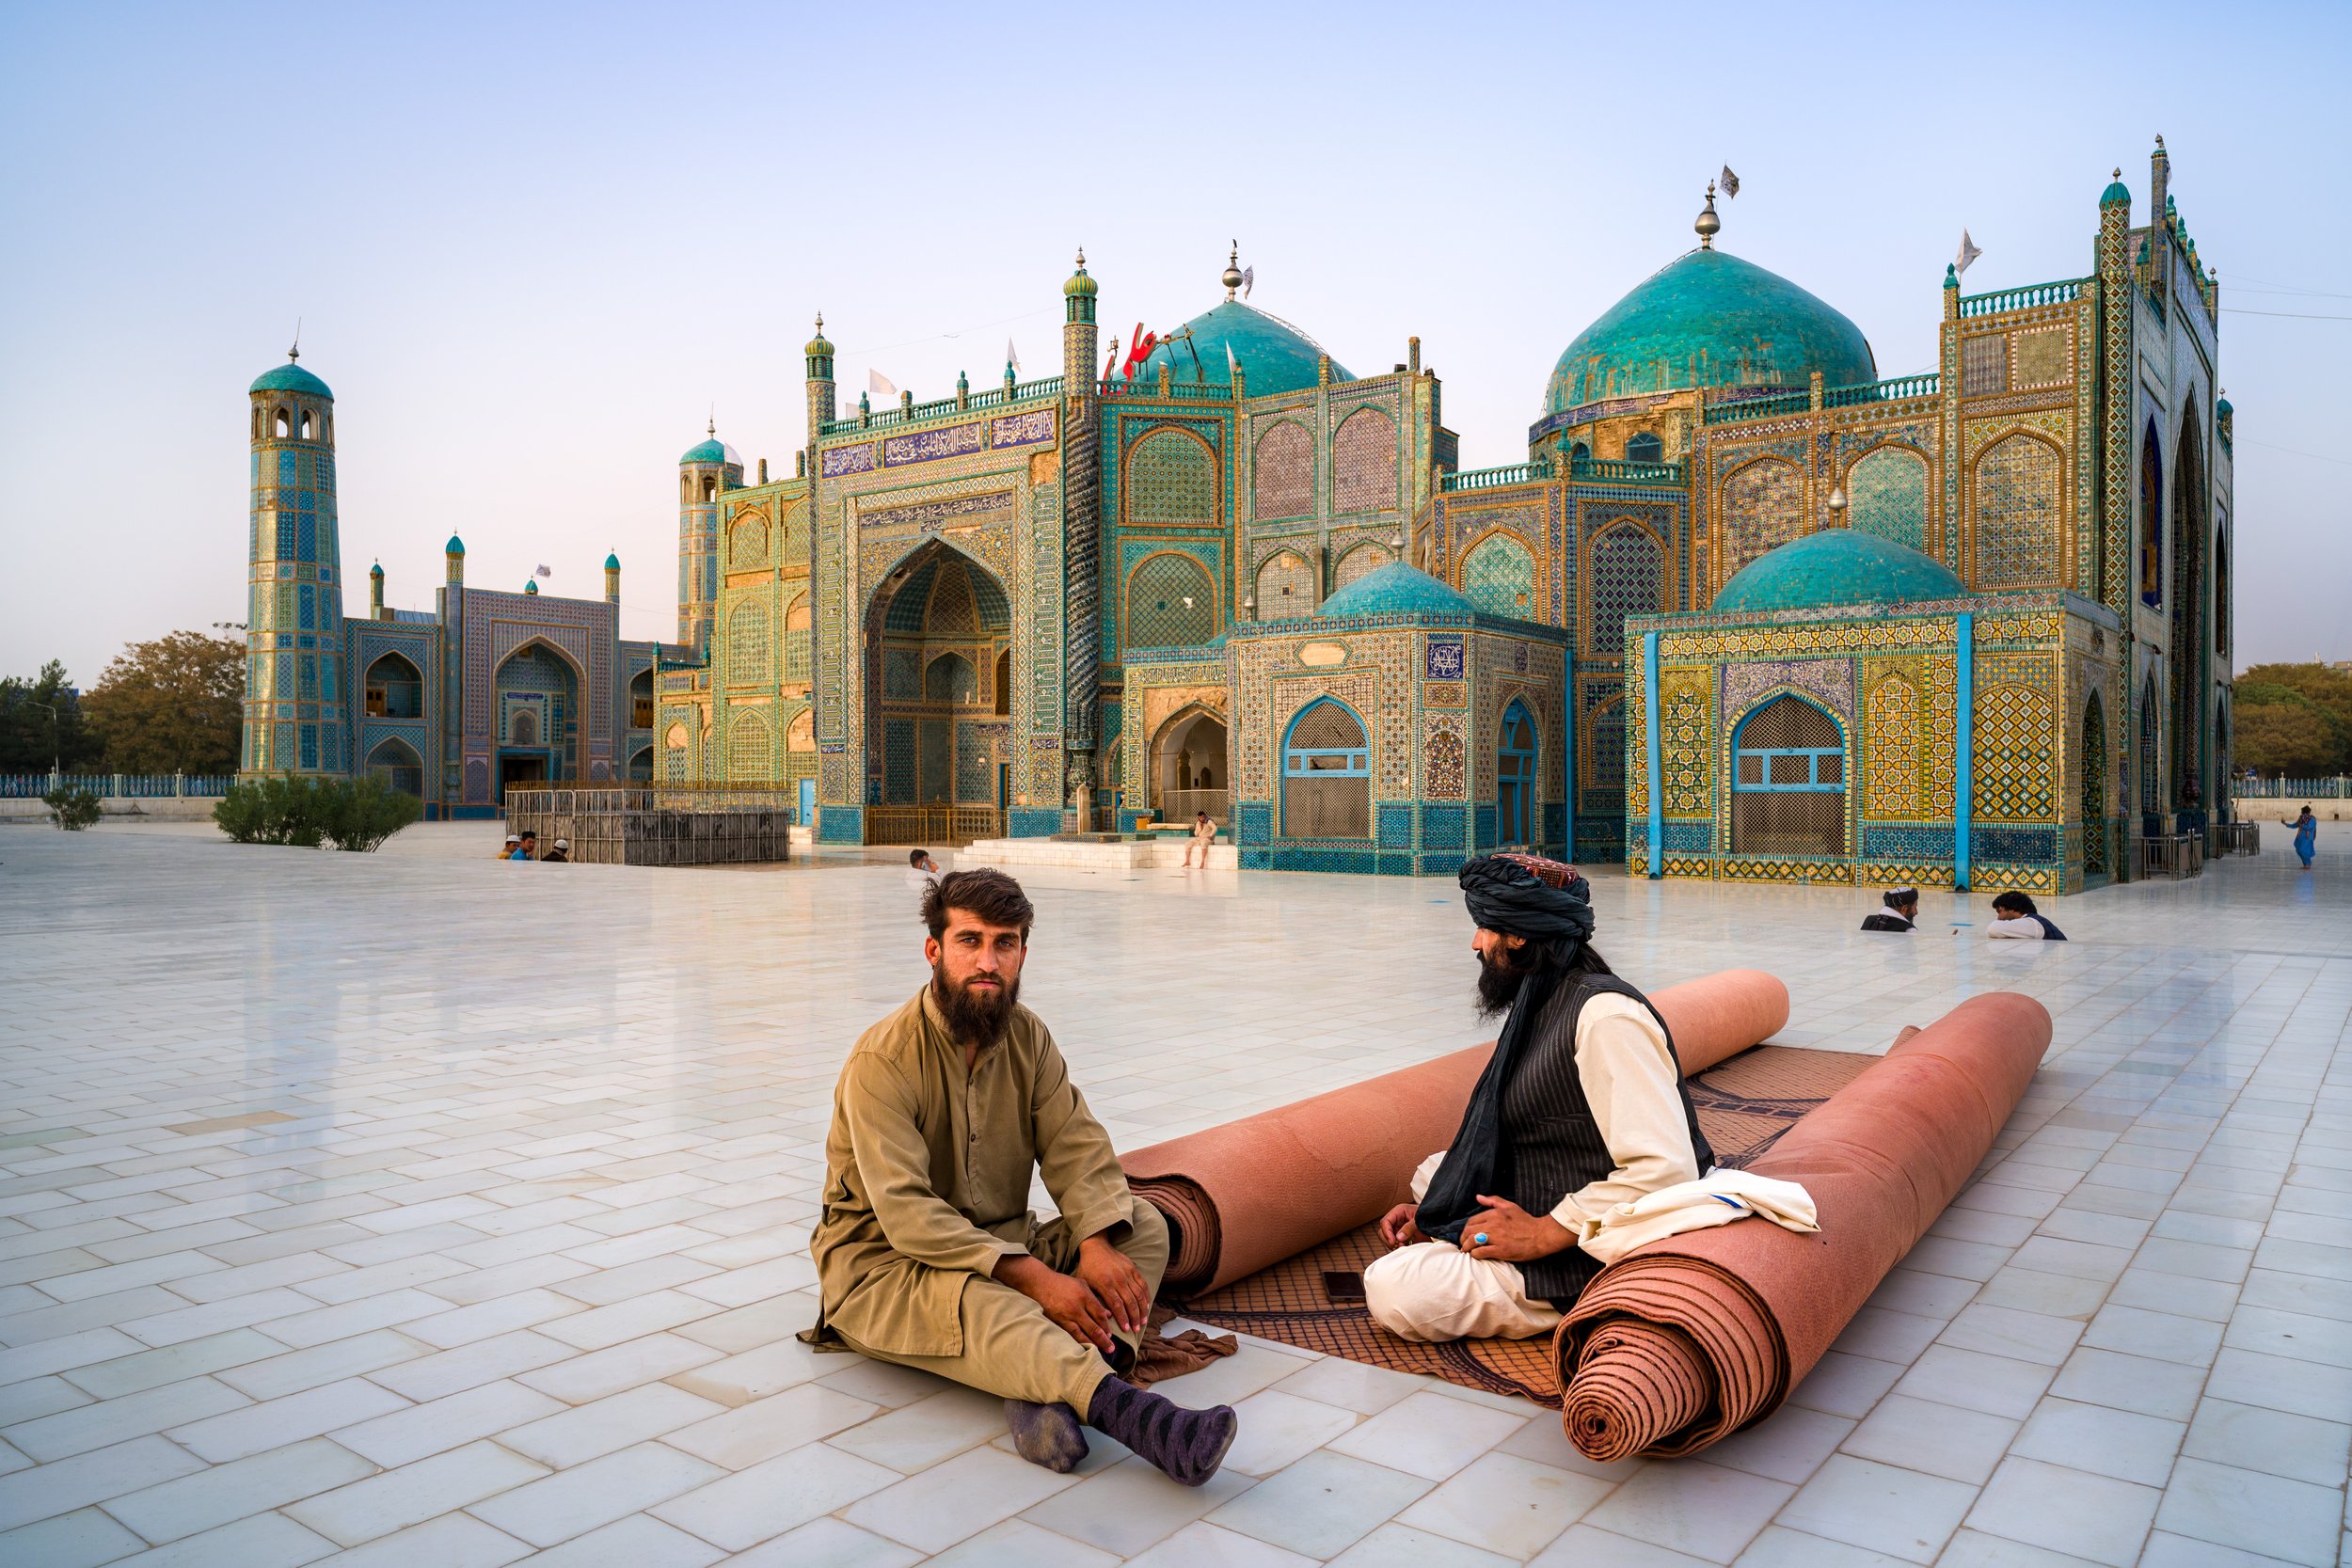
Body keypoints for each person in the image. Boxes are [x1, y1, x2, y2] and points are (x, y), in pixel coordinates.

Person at [803, 868, 1238, 1486]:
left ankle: (1048, 1387)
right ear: (935, 950)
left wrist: (1090, 1242)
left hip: (1003, 1237)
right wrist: (1034, 1278)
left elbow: (1077, 1145)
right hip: (885, 1268)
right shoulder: (883, 1060)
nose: (988, 961)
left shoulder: (1028, 1037)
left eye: (1004, 943)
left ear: (1023, 953)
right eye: (970, 941)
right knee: (996, 1307)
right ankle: (1143, 1417)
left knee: (1138, 1224)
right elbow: (905, 1213)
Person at [1361, 855, 1720, 1342]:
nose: (1476, 943)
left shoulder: (1606, 1018)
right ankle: (1466, 1236)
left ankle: (1577, 1293)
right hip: (1556, 1176)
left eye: (1485, 928)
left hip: (1595, 1236)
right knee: (1433, 1173)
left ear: (1520, 935)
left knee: (1394, 1288)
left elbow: (1666, 1169)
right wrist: (1439, 1213)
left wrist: (1543, 1233)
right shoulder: (1543, 993)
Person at [1986, 891, 2066, 941]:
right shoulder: (2034, 922)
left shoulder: (2031, 923)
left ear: (2012, 909)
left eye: (1999, 912)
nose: (1999, 917)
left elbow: (1993, 928)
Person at [2283, 805, 2318, 869]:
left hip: (2307, 838)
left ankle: (2308, 864)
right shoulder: (2301, 819)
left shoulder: (2312, 819)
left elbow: (2309, 827)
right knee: (2299, 850)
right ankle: (2305, 864)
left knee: (2303, 850)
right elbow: (2295, 825)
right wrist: (2285, 824)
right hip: (2300, 837)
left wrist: (2301, 826)